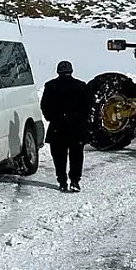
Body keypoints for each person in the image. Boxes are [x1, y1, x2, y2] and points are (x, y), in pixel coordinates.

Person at [40, 60, 93, 192]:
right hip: (76, 127)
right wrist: (82, 120)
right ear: (71, 71)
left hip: (57, 127)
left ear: (58, 71)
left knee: (59, 156)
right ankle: (75, 181)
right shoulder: (81, 86)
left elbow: (44, 106)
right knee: (76, 155)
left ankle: (62, 181)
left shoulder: (50, 86)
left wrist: (52, 118)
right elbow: (88, 106)